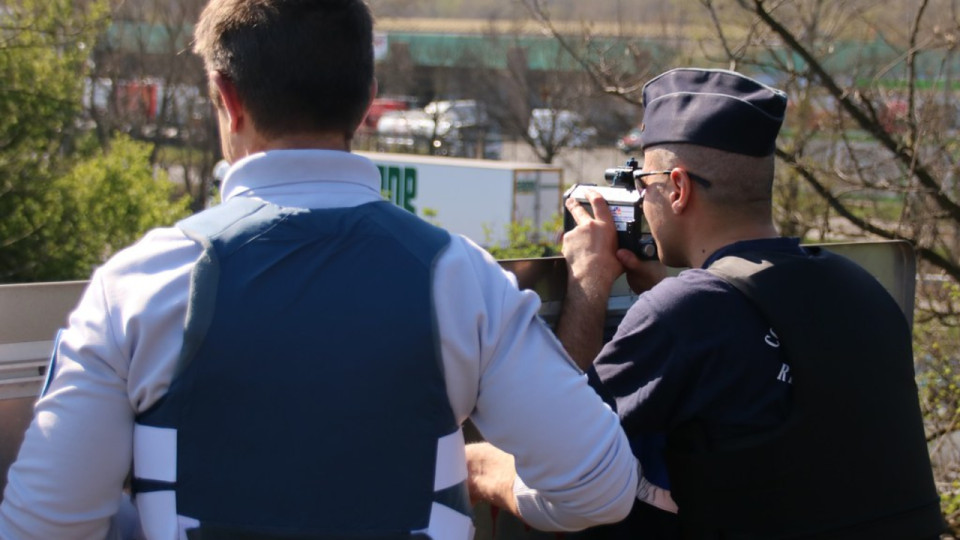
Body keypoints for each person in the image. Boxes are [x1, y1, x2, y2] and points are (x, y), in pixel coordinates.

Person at [0, 1, 639, 538]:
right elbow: (601, 490)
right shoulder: (461, 279)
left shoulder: (136, 286)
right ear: (366, 101)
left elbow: (44, 525)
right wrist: (485, 473)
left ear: (227, 98)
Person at [472, 68, 946, 539]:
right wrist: (666, 294)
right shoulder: (860, 287)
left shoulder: (689, 313)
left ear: (677, 188)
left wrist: (587, 283)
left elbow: (568, 462)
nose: (639, 195)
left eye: (642, 180)